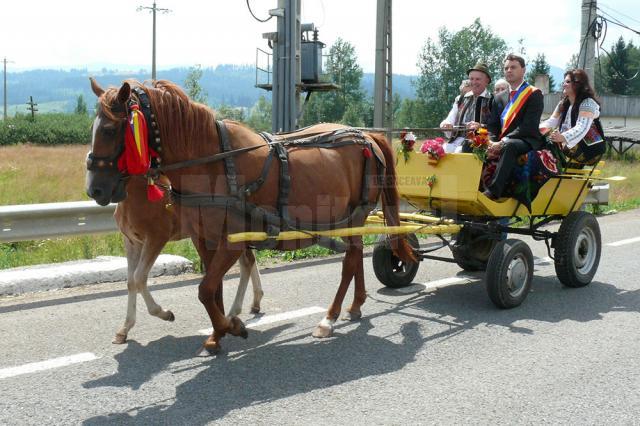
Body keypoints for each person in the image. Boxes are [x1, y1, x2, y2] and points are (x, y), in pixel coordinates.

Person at [483, 54, 544, 200]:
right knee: (471, 143)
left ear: (523, 70)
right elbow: (492, 126)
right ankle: (468, 188)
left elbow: (528, 126)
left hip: (526, 140)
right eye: (506, 68)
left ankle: (494, 192)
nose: (509, 70)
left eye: (513, 67)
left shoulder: (534, 94)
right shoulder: (499, 97)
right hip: (501, 141)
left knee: (509, 146)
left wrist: (503, 141)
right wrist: (490, 141)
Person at [539, 69, 606, 165]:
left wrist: (562, 137)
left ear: (578, 84)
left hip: (589, 151)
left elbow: (581, 127)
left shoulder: (588, 103)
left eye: (568, 82)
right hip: (570, 149)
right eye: (564, 82)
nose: (564, 84)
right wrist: (537, 129)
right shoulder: (563, 103)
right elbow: (552, 121)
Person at [440, 63, 493, 153]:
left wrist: (481, 127)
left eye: (478, 79)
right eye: (471, 79)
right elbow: (450, 119)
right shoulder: (460, 99)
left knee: (459, 152)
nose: (474, 82)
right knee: (441, 150)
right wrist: (446, 124)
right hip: (457, 141)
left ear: (486, 81)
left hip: (479, 144)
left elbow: (495, 128)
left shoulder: (492, 100)